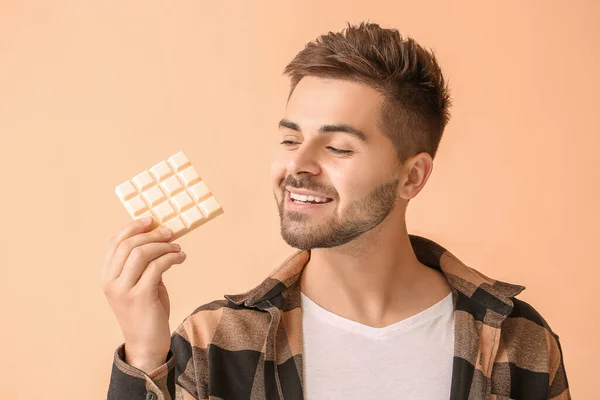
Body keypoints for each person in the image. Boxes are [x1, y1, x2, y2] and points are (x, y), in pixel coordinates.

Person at [102, 21, 571, 400]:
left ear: (413, 176)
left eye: (339, 148)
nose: (297, 166)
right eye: (290, 139)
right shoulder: (215, 342)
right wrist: (144, 352)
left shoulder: (519, 339)